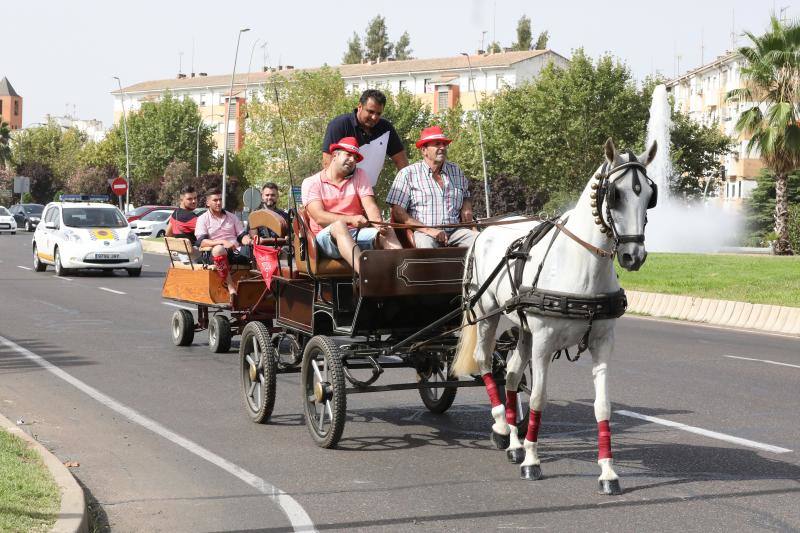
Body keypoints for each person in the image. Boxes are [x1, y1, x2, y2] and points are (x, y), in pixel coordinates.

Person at [302, 136, 401, 274]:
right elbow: (319, 217)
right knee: (339, 225)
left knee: (387, 230)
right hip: (324, 240)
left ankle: (403, 278)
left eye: (355, 157)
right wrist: (351, 219)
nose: (352, 160)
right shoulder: (311, 182)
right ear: (335, 155)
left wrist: (379, 224)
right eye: (348, 154)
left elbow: (370, 206)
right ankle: (368, 278)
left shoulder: (360, 175)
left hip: (355, 234)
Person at [386, 126, 477, 249]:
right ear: (424, 150)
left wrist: (466, 206)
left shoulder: (456, 170)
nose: (442, 148)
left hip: (456, 231)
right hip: (425, 233)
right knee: (427, 247)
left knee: (482, 242)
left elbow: (466, 195)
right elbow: (397, 212)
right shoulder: (407, 174)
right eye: (437, 144)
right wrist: (429, 230)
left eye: (444, 144)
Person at [322, 89, 409, 187]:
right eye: (370, 112)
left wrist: (407, 188)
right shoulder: (340, 125)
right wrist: (337, 190)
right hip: (341, 191)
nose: (374, 117)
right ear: (359, 107)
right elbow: (327, 162)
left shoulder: (386, 128)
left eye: (378, 113)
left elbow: (401, 161)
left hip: (368, 191)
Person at [194, 188, 253, 298]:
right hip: (214, 254)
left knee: (257, 249)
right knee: (219, 249)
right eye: (215, 200)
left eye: (220, 199)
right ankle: (231, 288)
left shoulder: (232, 217)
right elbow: (201, 242)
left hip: (235, 252)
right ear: (207, 203)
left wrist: (248, 240)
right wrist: (222, 242)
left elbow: (241, 236)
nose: (219, 202)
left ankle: (260, 289)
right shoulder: (202, 219)